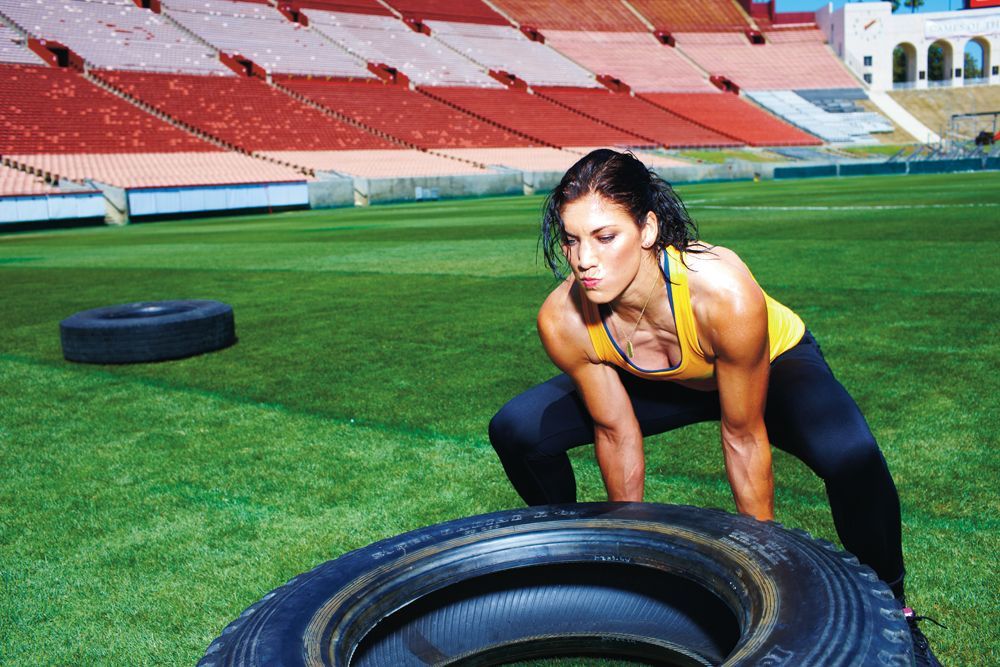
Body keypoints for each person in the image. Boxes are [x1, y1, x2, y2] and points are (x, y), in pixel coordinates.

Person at [489, 149, 942, 665]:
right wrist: (634, 559)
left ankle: (895, 607)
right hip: (661, 380)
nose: (583, 259)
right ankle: (575, 555)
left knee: (851, 455)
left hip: (769, 365)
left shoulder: (721, 291)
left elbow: (743, 434)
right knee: (518, 428)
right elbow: (615, 432)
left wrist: (771, 579)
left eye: (604, 237)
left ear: (648, 229)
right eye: (571, 239)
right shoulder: (564, 319)